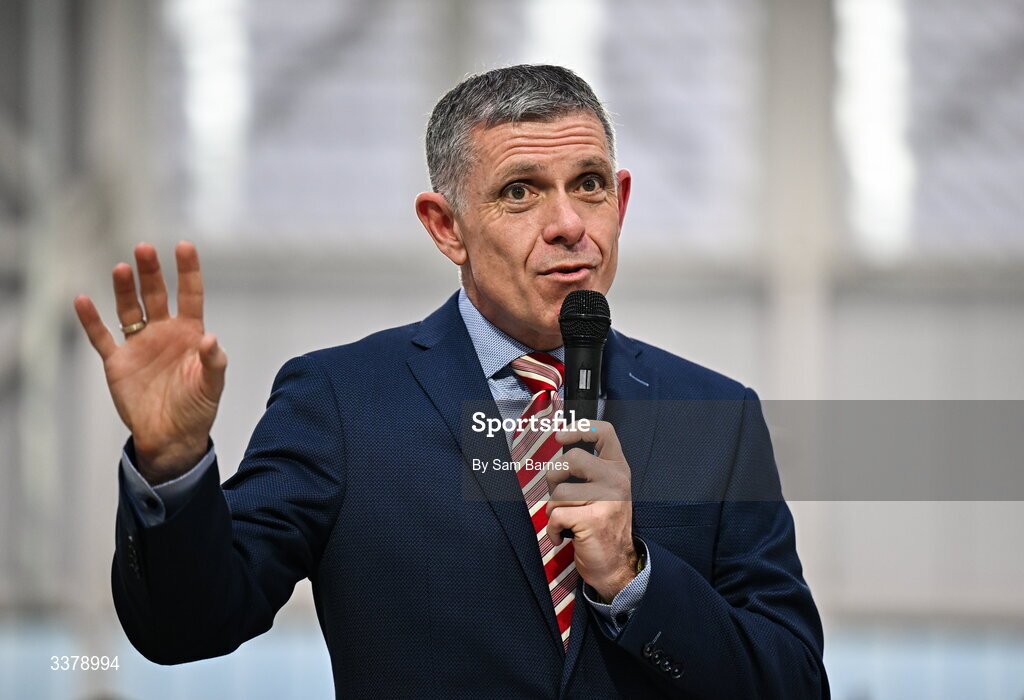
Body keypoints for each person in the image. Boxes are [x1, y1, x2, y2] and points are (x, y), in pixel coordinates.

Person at [74, 65, 828, 698]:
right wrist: (170, 466)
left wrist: (634, 580)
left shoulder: (716, 414)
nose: (569, 223)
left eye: (589, 183)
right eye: (520, 192)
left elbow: (793, 681)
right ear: (445, 226)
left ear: (621, 202)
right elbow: (186, 628)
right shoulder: (343, 402)